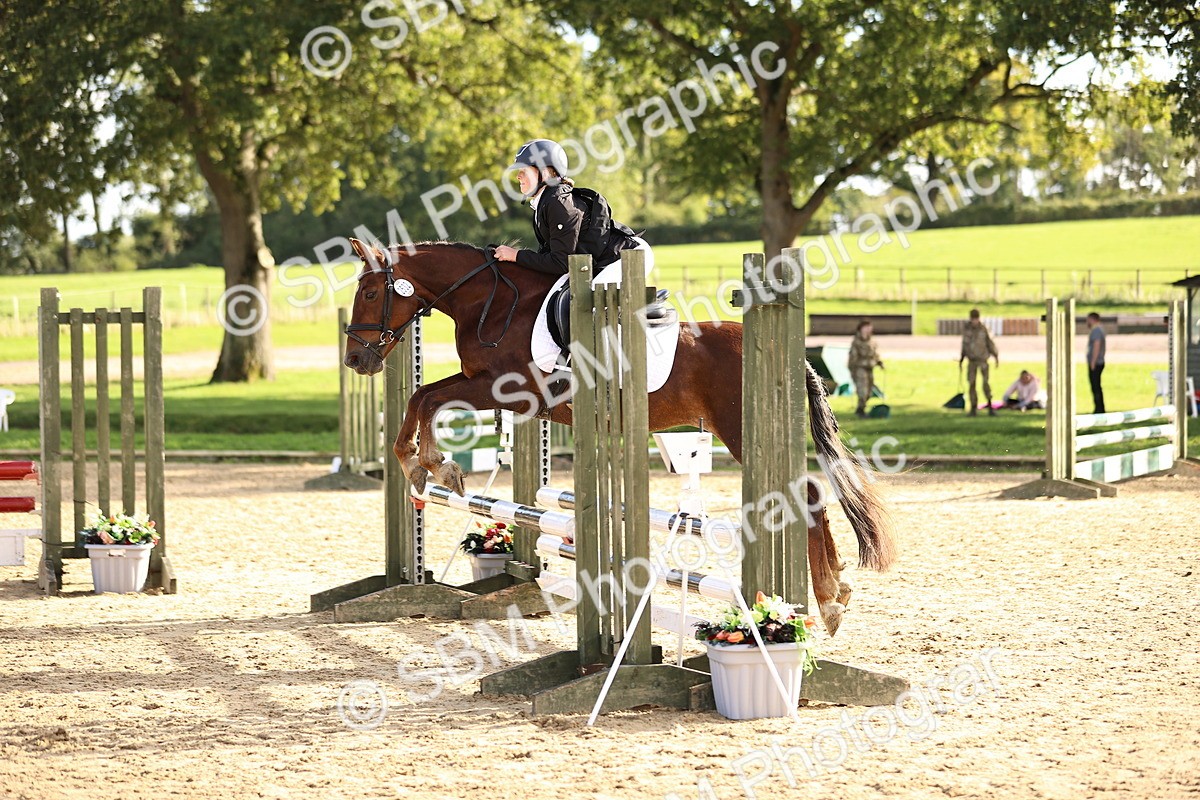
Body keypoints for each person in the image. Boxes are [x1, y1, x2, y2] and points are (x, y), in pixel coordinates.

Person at [493, 139, 647, 284]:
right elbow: (550, 257)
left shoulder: (558, 203)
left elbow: (561, 262)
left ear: (546, 172)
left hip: (626, 257)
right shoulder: (545, 201)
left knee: (588, 302)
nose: (518, 176)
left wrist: (516, 255)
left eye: (524, 170)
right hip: (604, 260)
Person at [959, 309, 999, 417]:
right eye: (973, 318)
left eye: (976, 318)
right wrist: (962, 358)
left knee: (986, 383)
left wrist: (996, 355)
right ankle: (973, 408)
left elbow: (990, 343)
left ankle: (990, 406)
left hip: (983, 360)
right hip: (972, 361)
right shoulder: (967, 329)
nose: (974, 321)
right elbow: (964, 344)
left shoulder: (984, 329)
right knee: (971, 384)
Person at [848, 320, 884, 418]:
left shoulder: (872, 341)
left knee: (869, 391)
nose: (869, 329)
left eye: (869, 327)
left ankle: (861, 408)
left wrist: (879, 362)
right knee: (862, 391)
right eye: (866, 327)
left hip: (870, 368)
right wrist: (852, 370)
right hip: (860, 369)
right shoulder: (856, 342)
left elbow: (875, 354)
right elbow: (852, 358)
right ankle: (860, 411)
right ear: (861, 329)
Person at [1086, 312, 1106, 414]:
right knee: (1096, 385)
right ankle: (1099, 407)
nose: (1087, 322)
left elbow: (1096, 346)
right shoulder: (1097, 330)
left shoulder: (1096, 331)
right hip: (1097, 362)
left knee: (1096, 386)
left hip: (1096, 363)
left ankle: (1099, 409)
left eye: (1088, 319)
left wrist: (1093, 362)